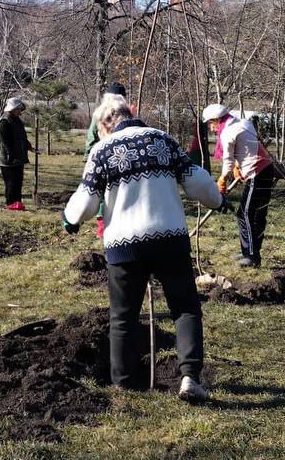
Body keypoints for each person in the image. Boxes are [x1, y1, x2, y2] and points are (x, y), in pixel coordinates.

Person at [63, 101, 224, 403]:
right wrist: (217, 200)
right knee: (185, 308)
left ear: (106, 124)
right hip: (170, 240)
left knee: (123, 316)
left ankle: (124, 384)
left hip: (125, 246)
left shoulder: (102, 151)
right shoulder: (163, 140)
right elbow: (197, 181)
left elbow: (85, 203)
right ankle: (189, 376)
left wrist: (69, 219)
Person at [202, 104, 277, 269]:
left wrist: (222, 179)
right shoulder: (244, 123)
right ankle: (250, 252)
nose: (211, 128)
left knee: (244, 214)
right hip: (267, 169)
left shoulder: (228, 132)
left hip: (256, 173)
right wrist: (239, 165)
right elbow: (246, 148)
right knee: (258, 214)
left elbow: (227, 161)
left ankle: (251, 256)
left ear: (217, 120)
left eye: (210, 124)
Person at [85, 85, 128, 239]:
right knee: (103, 193)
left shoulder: (126, 115)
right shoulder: (100, 114)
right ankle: (102, 226)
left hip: (121, 158)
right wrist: (91, 158)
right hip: (104, 158)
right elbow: (92, 138)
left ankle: (117, 223)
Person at [0, 97, 33, 210]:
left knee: (18, 181)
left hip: (18, 157)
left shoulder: (17, 120)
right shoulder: (4, 122)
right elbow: (6, 143)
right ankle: (10, 203)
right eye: (19, 109)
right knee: (11, 182)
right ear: (13, 109)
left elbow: (22, 137)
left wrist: (29, 147)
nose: (20, 112)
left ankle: (17, 202)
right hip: (8, 159)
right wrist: (12, 156)